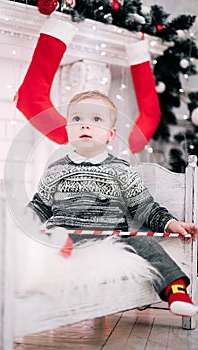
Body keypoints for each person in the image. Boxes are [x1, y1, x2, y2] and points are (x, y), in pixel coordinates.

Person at [28, 90, 198, 317]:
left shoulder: (120, 169)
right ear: (67, 129)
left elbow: (144, 206)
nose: (85, 126)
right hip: (65, 233)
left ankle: (175, 290)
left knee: (145, 245)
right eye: (77, 119)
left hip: (110, 236)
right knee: (45, 239)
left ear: (110, 134)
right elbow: (39, 206)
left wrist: (170, 224)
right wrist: (20, 223)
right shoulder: (56, 169)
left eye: (96, 120)